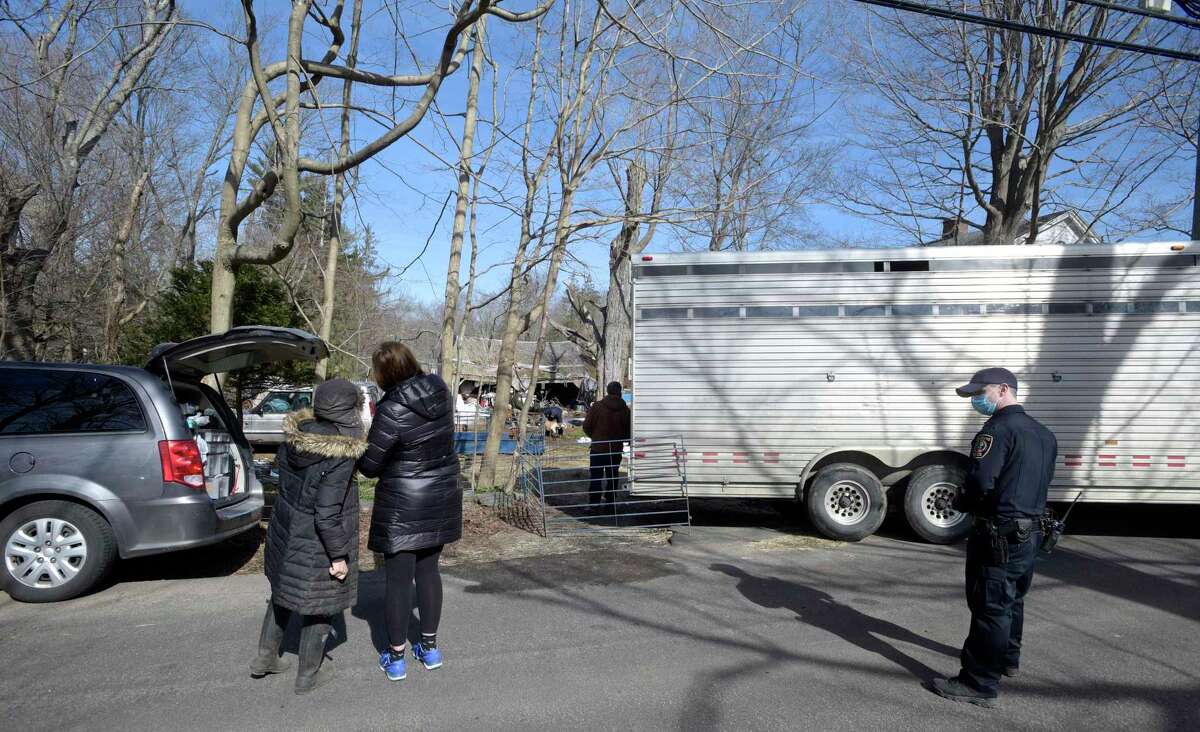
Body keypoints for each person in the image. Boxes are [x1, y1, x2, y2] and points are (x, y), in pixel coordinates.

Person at [930, 367, 1057, 709]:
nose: (975, 400)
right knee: (1013, 599)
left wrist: (960, 501)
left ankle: (978, 682)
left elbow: (980, 482)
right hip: (1029, 533)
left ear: (1003, 389)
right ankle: (1007, 660)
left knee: (990, 607)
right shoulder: (1044, 434)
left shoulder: (997, 430)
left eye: (979, 393)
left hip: (998, 534)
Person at [251, 378, 367, 694]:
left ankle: (265, 658)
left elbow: (286, 483)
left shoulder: (296, 436)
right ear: (347, 412)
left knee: (283, 591)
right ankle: (308, 675)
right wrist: (339, 556)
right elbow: (327, 513)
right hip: (317, 541)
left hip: (286, 532)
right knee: (321, 603)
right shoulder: (341, 452)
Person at [358, 342, 462, 682]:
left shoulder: (391, 409)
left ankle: (397, 656)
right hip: (439, 495)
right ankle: (430, 649)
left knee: (399, 582)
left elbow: (370, 466)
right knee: (429, 572)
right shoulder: (440, 393)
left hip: (403, 502)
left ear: (385, 373)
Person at [582, 381, 632, 508]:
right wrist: (622, 439)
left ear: (608, 391)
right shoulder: (625, 410)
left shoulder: (597, 406)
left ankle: (594, 504)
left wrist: (595, 437)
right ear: (619, 391)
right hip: (615, 449)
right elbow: (629, 430)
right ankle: (610, 504)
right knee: (613, 476)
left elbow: (586, 426)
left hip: (598, 448)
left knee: (596, 477)